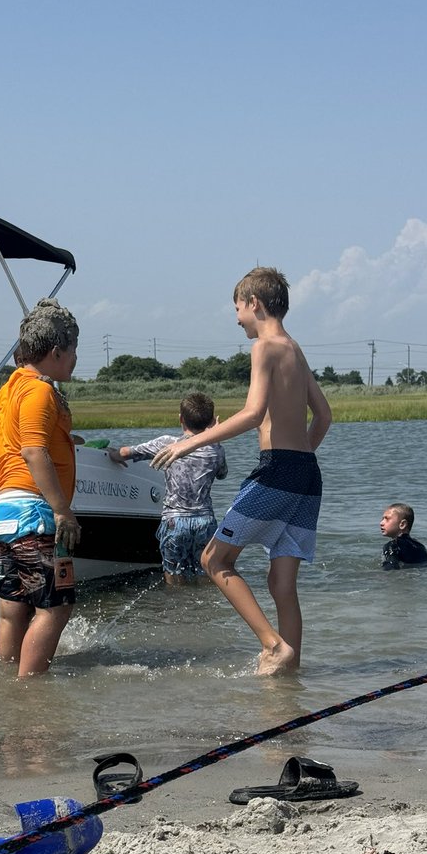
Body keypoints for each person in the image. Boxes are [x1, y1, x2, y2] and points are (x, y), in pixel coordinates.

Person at [151, 267, 332, 675]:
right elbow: (323, 417)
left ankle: (272, 647)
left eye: (237, 308)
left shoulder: (265, 347)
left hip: (278, 471)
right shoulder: (296, 349)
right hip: (307, 473)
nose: (236, 319)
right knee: (281, 584)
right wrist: (301, 457)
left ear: (254, 303)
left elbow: (252, 414)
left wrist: (188, 443)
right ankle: (291, 673)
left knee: (214, 560)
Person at [0, 298, 81, 677]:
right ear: (57, 351)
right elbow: (33, 449)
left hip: (3, 514)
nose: (75, 359)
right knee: (56, 606)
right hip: (36, 516)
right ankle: (30, 691)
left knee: (13, 605)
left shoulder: (2, 396)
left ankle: (8, 679)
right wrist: (62, 510)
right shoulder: (41, 391)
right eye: (74, 351)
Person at [107, 392, 228, 585]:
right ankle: (206, 611)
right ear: (212, 420)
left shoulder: (166, 444)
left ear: (181, 418)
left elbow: (124, 453)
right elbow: (222, 474)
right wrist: (215, 438)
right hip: (205, 521)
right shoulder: (216, 449)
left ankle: (177, 609)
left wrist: (110, 454)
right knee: (205, 573)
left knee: (173, 573)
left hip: (175, 520)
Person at [379, 503, 427, 569]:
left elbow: (391, 568)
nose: (381, 523)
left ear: (402, 524)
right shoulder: (419, 545)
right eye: (382, 519)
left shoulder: (391, 546)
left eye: (387, 519)